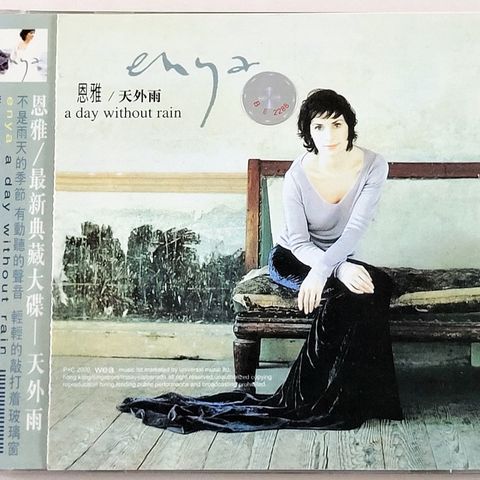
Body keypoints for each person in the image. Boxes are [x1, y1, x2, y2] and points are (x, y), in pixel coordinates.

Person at [117, 89, 403, 433]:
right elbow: (299, 243)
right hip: (294, 258)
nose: (329, 135)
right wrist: (332, 269)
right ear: (308, 132)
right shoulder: (298, 174)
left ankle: (365, 397)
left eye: (337, 124)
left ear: (349, 126)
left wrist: (333, 266)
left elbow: (355, 230)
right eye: (319, 127)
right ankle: (301, 398)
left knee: (378, 285)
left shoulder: (373, 165)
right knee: (348, 295)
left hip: (333, 257)